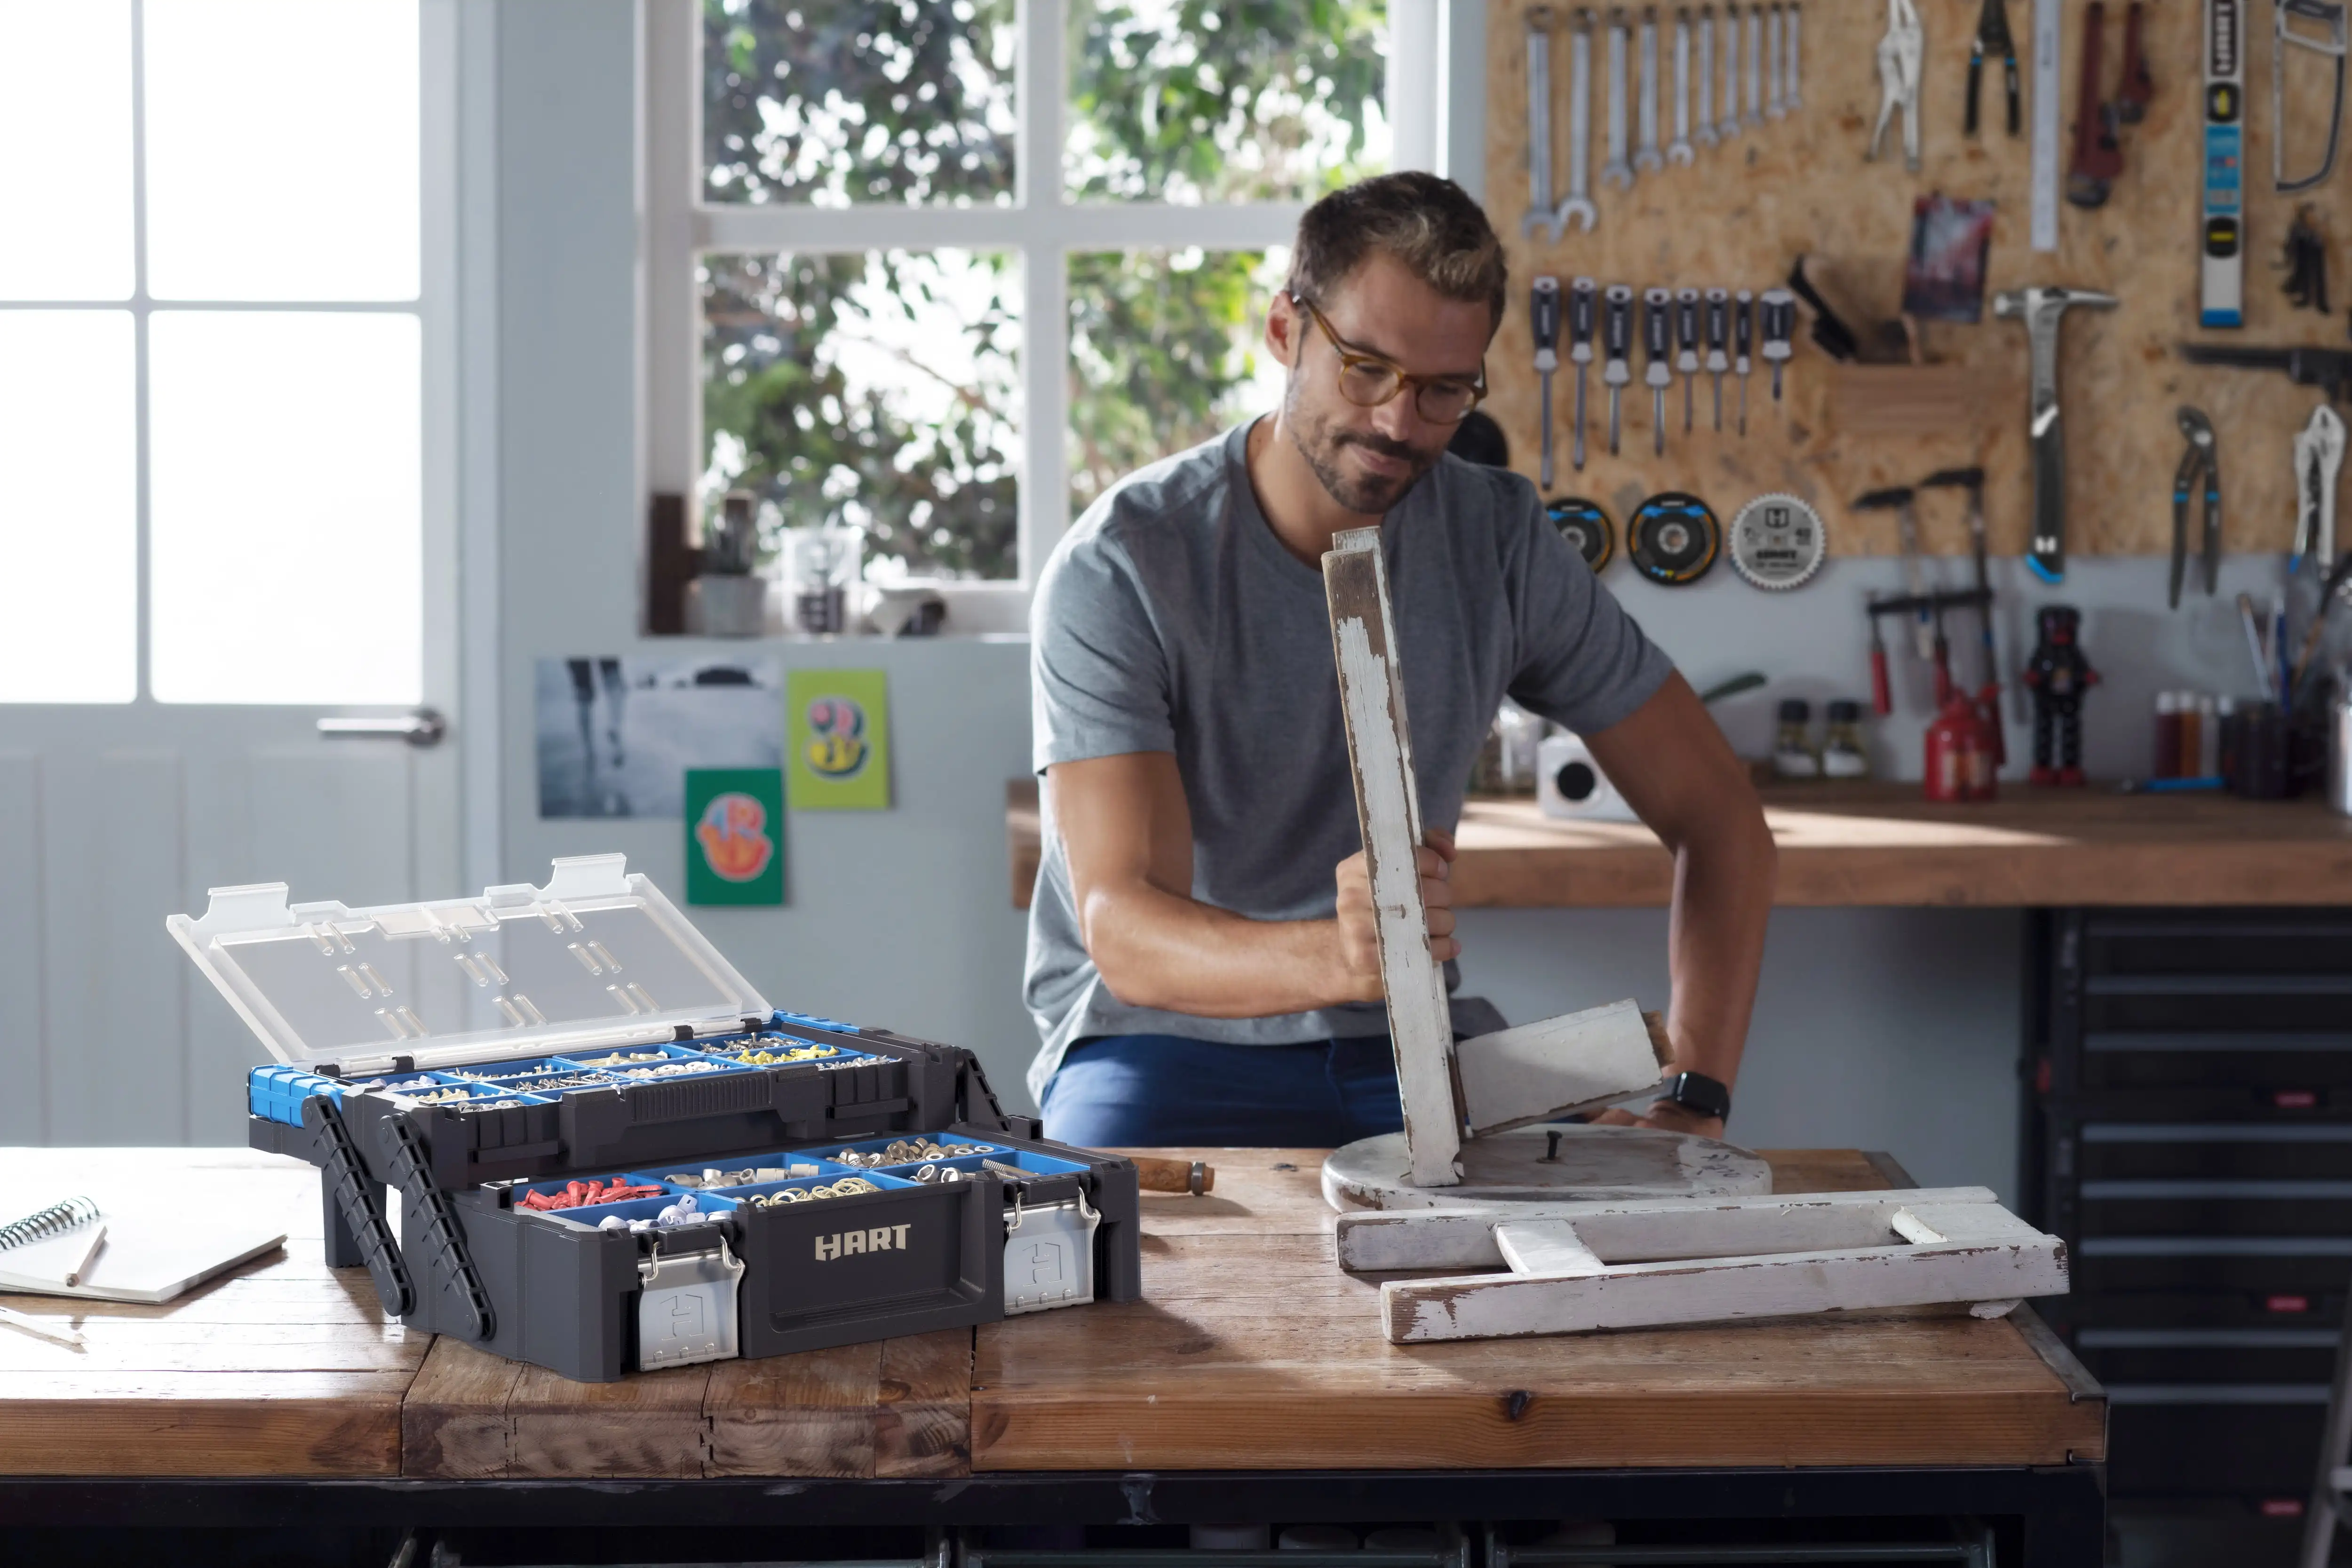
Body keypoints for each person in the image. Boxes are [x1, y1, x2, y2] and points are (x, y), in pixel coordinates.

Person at [1024, 172, 1775, 1148]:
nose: (1396, 422)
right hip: (1156, 1046)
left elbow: (1721, 820)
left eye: (1442, 390)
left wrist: (1695, 1097)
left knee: (1607, 1243)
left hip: (1418, 1046)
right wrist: (1334, 958)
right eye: (1366, 368)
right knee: (1118, 1263)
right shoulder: (1124, 565)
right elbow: (1127, 935)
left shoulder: (1497, 540)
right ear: (1286, 332)